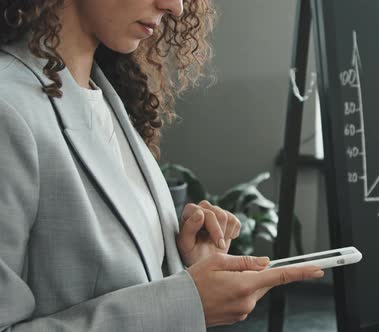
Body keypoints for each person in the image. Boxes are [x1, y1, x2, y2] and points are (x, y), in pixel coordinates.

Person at [0, 0, 324, 330]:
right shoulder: (7, 108)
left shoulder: (106, 99)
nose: (175, 7)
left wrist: (184, 266)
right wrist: (184, 303)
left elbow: (126, 285)